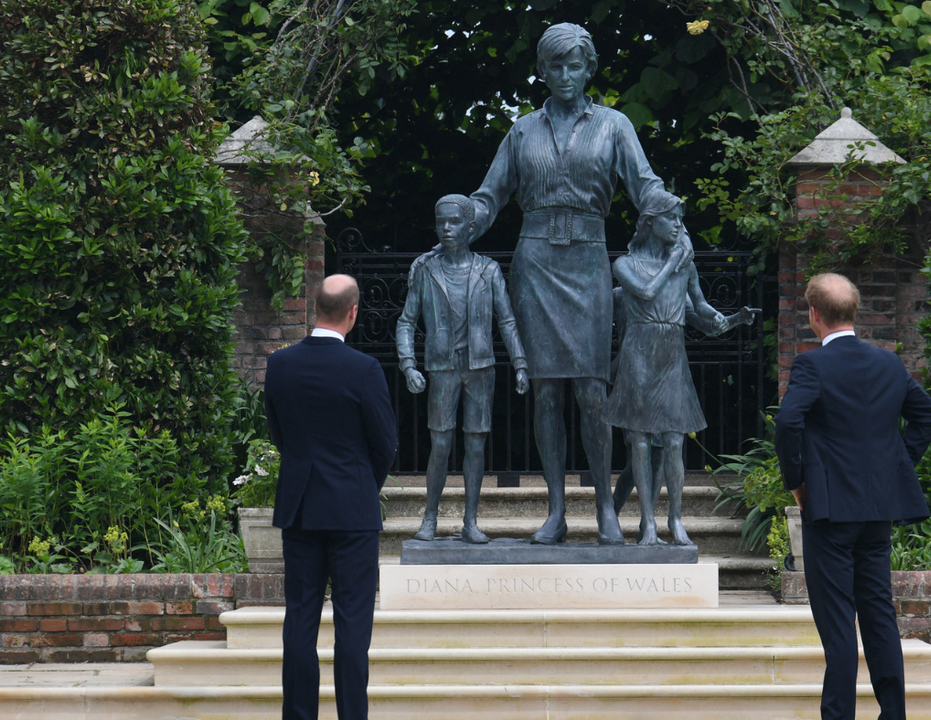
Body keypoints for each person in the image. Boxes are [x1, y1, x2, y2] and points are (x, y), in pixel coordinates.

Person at [462, 22, 687, 545]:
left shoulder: (614, 126)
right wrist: (458, 223)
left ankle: (606, 507)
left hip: (587, 261)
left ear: (590, 69)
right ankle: (556, 510)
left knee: (591, 389)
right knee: (545, 393)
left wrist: (674, 221)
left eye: (574, 65)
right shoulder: (521, 131)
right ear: (542, 71)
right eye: (555, 66)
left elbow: (645, 184)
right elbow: (489, 197)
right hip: (536, 263)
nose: (565, 75)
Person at [776, 273, 931, 720]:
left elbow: (788, 422)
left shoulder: (813, 365)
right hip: (877, 511)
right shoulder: (888, 364)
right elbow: (928, 416)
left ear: (813, 314)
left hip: (830, 512)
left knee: (838, 627)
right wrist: (895, 466)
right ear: (854, 311)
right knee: (878, 615)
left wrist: (799, 483)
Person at [264, 274, 398, 720]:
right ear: (353, 313)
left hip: (301, 509)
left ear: (313, 308)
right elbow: (385, 444)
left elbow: (279, 433)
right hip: (352, 513)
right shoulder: (364, 370)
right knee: (353, 626)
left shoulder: (280, 365)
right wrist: (361, 483)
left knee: (299, 620)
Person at [603, 192, 753, 545]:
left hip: (671, 355)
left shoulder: (685, 266)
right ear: (651, 222)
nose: (679, 226)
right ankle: (648, 524)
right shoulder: (626, 264)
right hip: (638, 355)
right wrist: (673, 262)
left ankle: (675, 519)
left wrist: (731, 320)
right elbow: (645, 292)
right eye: (672, 218)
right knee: (639, 442)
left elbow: (702, 311)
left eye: (680, 220)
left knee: (673, 442)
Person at [395, 194, 530, 544]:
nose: (446, 228)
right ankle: (430, 518)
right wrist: (408, 365)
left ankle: (471, 521)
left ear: (471, 227)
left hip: (481, 367)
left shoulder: (488, 270)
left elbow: (508, 320)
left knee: (475, 446)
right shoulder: (426, 270)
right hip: (442, 368)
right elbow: (406, 322)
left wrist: (520, 363)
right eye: (441, 222)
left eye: (454, 222)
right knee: (439, 445)